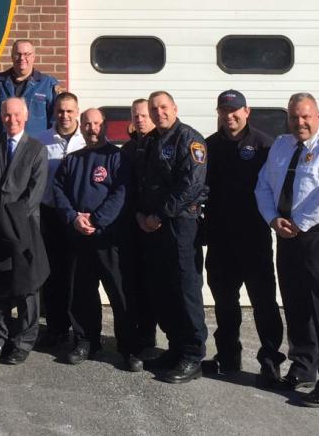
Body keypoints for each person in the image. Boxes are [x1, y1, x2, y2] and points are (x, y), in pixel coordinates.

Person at [255, 92, 319, 407]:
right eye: (294, 116)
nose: (300, 122)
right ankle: (303, 368)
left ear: (318, 117)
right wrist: (273, 219)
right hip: (287, 236)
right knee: (296, 306)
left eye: (306, 116)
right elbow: (263, 185)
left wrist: (298, 221)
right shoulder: (282, 146)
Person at [203, 90, 285, 384]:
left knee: (263, 302)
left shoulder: (265, 145)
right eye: (224, 111)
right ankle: (227, 356)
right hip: (220, 239)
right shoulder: (209, 146)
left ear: (247, 112)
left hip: (254, 239)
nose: (230, 116)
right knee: (225, 303)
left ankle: (271, 360)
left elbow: (276, 188)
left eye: (235, 110)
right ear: (218, 113)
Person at [126, 91, 208, 384]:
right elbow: (140, 184)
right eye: (153, 108)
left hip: (180, 225)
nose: (159, 112)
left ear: (174, 108)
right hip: (151, 227)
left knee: (185, 289)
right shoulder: (148, 143)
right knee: (163, 290)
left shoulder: (190, 139)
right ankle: (175, 348)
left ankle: (192, 355)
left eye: (163, 107)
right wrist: (139, 215)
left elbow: (191, 186)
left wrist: (158, 216)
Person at [52, 108, 134, 369]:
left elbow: (120, 194)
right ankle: (86, 341)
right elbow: (58, 190)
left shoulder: (117, 158)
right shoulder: (72, 159)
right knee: (81, 293)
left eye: (96, 124)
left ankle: (128, 348)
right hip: (78, 237)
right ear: (81, 126)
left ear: (104, 126)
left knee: (120, 294)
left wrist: (97, 220)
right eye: (87, 124)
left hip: (108, 238)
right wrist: (73, 218)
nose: (91, 129)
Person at [0, 97, 50, 366]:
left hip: (23, 229)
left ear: (26, 116)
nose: (12, 119)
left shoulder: (38, 149)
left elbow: (34, 194)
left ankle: (24, 342)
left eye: (17, 115)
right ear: (2, 116)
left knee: (26, 288)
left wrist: (9, 220)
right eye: (7, 115)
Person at [31, 91, 85, 350]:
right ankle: (55, 329)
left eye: (70, 111)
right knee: (52, 275)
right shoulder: (41, 141)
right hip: (50, 216)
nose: (65, 116)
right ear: (54, 112)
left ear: (78, 112)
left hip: (77, 217)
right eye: (60, 111)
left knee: (77, 276)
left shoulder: (87, 139)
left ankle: (81, 331)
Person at [121, 98, 160, 368]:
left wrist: (154, 217)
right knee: (132, 285)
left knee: (154, 287)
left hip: (157, 226)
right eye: (136, 116)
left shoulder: (163, 144)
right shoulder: (127, 149)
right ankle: (133, 341)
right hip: (131, 226)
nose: (140, 119)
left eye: (144, 115)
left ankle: (149, 342)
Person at [0, 39, 61, 146]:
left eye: (27, 54)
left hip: (35, 151)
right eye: (18, 54)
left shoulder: (47, 84)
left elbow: (55, 122)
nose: (22, 58)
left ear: (33, 57)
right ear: (11, 56)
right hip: (1, 151)